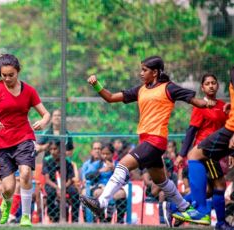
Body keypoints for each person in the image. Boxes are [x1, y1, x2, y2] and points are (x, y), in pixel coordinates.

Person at [79, 56, 213, 227]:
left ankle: (102, 202)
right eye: (141, 69)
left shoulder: (168, 88)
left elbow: (194, 101)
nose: (141, 73)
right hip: (146, 140)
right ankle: (187, 209)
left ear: (155, 72)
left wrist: (207, 103)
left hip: (156, 140)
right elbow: (111, 97)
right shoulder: (141, 89)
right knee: (162, 182)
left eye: (144, 70)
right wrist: (96, 84)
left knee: (122, 165)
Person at [0, 54, 50, 227]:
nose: (8, 78)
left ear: (18, 72)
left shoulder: (29, 91)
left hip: (24, 138)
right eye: (4, 75)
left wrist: (43, 121)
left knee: (25, 173)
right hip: (0, 143)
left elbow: (45, 113)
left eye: (11, 75)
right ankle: (6, 203)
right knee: (8, 187)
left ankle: (25, 216)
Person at [173, 73, 234, 229]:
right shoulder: (200, 106)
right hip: (203, 154)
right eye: (207, 83)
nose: (211, 85)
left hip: (218, 153)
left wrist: (231, 153)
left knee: (211, 189)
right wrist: (182, 153)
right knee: (214, 187)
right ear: (202, 87)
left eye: (214, 82)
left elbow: (229, 131)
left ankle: (175, 208)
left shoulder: (224, 106)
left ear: (218, 85)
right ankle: (216, 220)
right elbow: (191, 131)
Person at [42, 140, 80, 223]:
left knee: (74, 193)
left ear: (59, 149)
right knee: (51, 193)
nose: (52, 151)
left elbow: (70, 178)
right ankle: (53, 217)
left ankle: (74, 219)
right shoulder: (47, 161)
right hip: (52, 184)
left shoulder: (67, 161)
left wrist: (63, 187)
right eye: (51, 149)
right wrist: (57, 188)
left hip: (66, 184)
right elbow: (47, 179)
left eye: (55, 149)